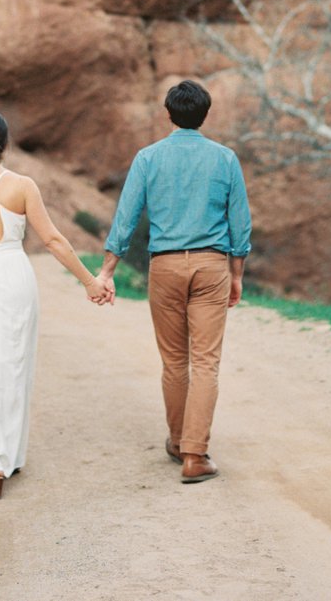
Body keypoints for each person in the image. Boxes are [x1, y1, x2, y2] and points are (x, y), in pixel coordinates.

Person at [0, 109, 110, 498]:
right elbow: (52, 240)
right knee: (14, 365)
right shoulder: (23, 185)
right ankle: (9, 457)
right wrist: (89, 282)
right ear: (5, 143)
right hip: (14, 275)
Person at [96, 80, 251, 484]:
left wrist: (107, 269)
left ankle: (179, 439)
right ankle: (194, 455)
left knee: (174, 361)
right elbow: (240, 224)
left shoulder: (148, 158)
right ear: (204, 114)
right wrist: (236, 276)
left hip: (164, 267)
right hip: (211, 266)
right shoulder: (225, 159)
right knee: (205, 362)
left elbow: (126, 216)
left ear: (169, 114)